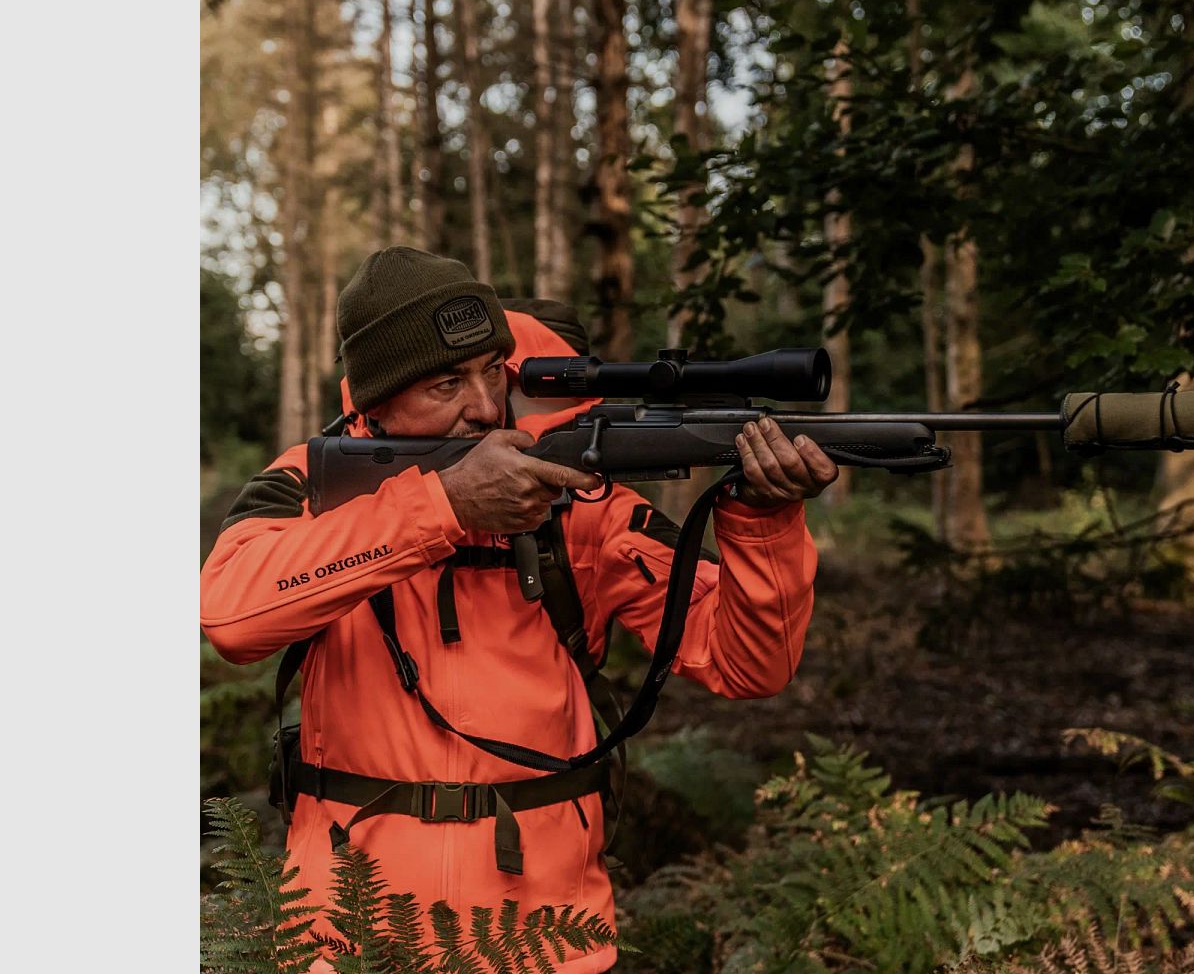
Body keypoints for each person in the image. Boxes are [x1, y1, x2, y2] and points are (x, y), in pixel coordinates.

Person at [201, 246, 838, 973]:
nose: (482, 406)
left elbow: (749, 666)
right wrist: (439, 508)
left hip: (545, 942)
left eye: (490, 373)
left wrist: (764, 522)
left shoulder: (573, 504)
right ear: (375, 401)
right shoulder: (312, 484)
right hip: (348, 940)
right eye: (447, 383)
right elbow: (230, 617)